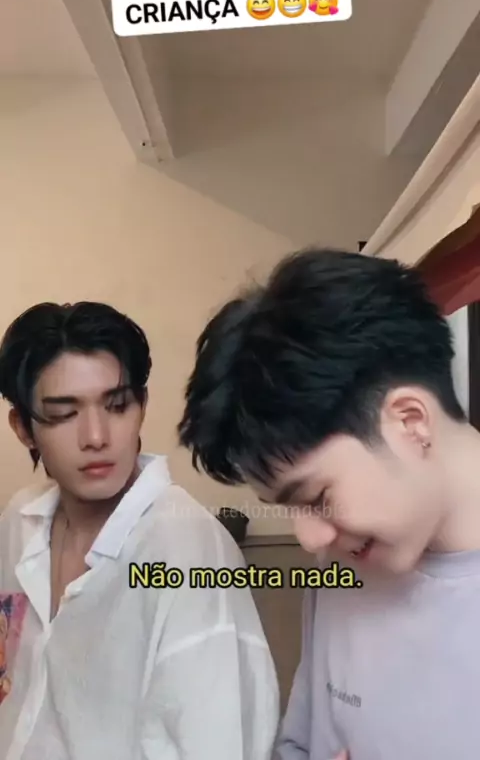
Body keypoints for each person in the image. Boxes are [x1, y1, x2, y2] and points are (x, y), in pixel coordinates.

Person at [177, 247, 480, 760]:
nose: (309, 538)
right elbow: (302, 741)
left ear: (410, 422)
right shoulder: (343, 566)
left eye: (317, 497)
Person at [0, 301, 279, 759]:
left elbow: (219, 743)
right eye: (64, 413)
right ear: (23, 428)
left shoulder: (186, 548)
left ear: (142, 407)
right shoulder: (20, 521)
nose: (96, 436)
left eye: (117, 405)